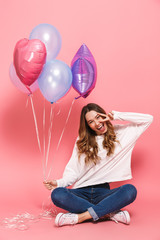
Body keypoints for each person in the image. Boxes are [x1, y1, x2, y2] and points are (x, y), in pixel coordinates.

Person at [43, 103, 153, 227]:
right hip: (81, 193)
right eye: (91, 121)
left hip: (104, 194)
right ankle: (109, 213)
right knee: (57, 194)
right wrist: (58, 183)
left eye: (98, 117)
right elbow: (74, 171)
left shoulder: (122, 134)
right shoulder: (82, 141)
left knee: (130, 191)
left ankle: (80, 217)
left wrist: (116, 115)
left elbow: (148, 119)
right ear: (88, 125)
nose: (97, 123)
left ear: (104, 115)